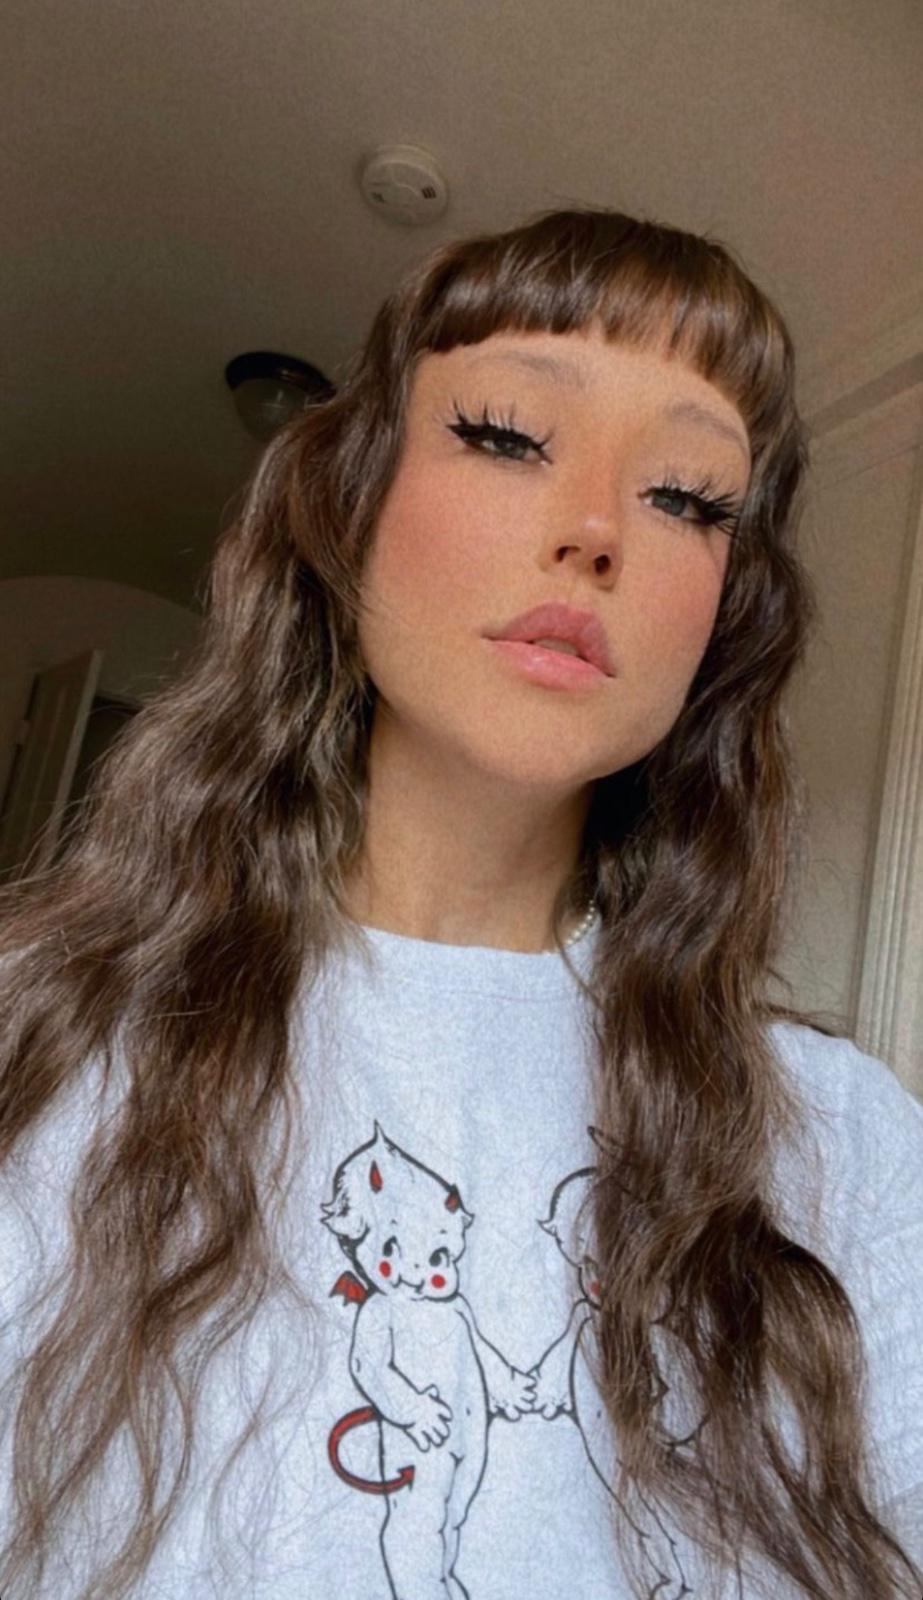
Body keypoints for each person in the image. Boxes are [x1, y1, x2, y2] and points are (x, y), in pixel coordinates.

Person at [1, 206, 921, 1600]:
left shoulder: (845, 1150)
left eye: (687, 498)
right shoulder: (42, 1042)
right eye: (505, 434)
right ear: (351, 501)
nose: (597, 529)